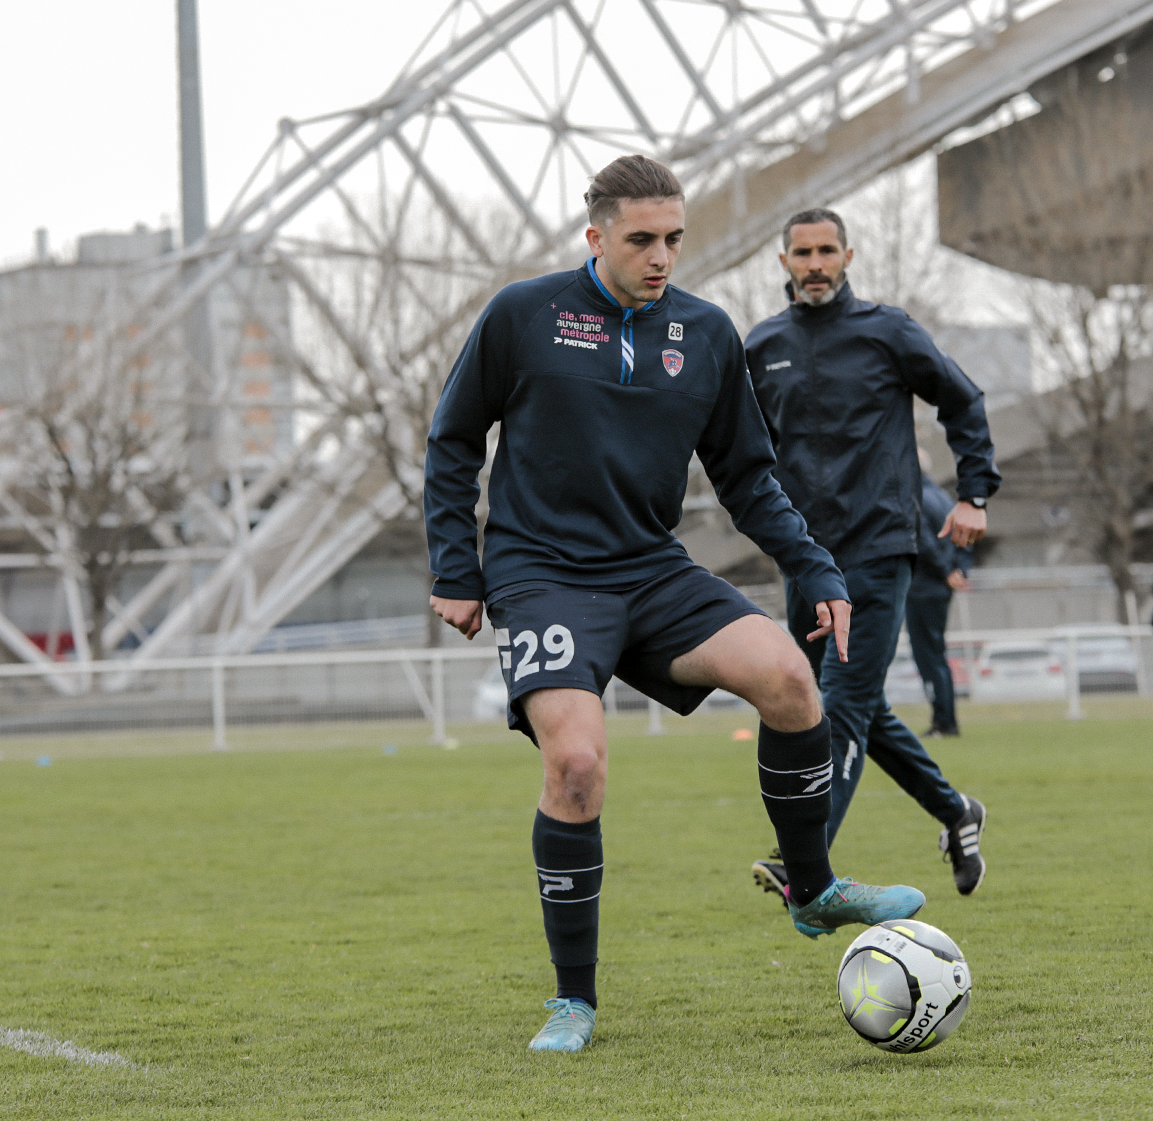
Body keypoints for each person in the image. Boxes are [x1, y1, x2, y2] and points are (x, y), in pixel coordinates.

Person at [425, 156, 926, 1054]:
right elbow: (454, 440)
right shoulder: (522, 315)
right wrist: (455, 568)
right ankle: (572, 1002)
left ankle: (811, 887)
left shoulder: (704, 332)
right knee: (576, 764)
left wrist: (814, 566)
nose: (663, 256)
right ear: (596, 237)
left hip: (650, 570)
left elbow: (748, 476)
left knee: (787, 678)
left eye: (674, 239)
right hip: (542, 574)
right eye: (642, 239)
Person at [742, 208, 999, 906]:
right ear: (784, 260)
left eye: (828, 250)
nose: (816, 262)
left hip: (881, 547)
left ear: (848, 254)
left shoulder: (888, 331)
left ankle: (805, 861)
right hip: (804, 560)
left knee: (843, 706)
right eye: (804, 252)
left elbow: (963, 400)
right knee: (850, 707)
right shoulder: (761, 346)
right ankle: (955, 811)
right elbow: (742, 452)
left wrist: (973, 494)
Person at [909, 449, 973, 739]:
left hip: (924, 586)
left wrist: (946, 570)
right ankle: (945, 719)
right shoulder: (945, 499)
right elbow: (965, 537)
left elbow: (923, 542)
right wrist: (959, 569)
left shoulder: (914, 499)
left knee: (928, 657)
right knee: (937, 654)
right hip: (941, 588)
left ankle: (943, 721)